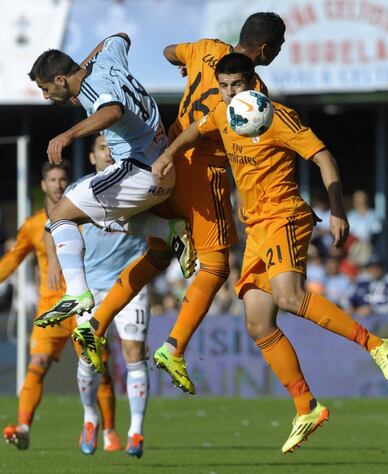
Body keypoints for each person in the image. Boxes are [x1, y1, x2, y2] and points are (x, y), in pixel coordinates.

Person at [152, 52, 388, 453]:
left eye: (238, 85)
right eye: (225, 86)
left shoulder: (278, 117)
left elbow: (323, 157)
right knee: (257, 322)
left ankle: (375, 343)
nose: (231, 93)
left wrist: (337, 209)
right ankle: (306, 406)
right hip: (256, 228)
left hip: (284, 216)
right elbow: (195, 131)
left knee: (289, 296)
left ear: (253, 82)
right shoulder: (222, 111)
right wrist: (167, 154)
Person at [71, 13, 286, 393]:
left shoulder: (205, 50)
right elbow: (245, 150)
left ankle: (95, 324)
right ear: (266, 49)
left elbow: (170, 52)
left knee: (156, 256)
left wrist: (186, 68)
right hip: (204, 176)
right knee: (217, 266)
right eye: (279, 48)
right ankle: (174, 347)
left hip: (164, 166)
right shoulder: (255, 95)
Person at [28, 33, 194, 330]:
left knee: (60, 215)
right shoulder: (106, 59)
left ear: (60, 80)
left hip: (141, 172)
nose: (45, 96)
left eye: (45, 88)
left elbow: (112, 110)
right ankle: (168, 229)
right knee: (93, 216)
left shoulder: (95, 89)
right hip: (162, 168)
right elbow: (120, 37)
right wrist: (85, 62)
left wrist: (69, 134)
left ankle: (77, 291)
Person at [1, 161, 121, 452]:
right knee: (37, 364)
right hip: (51, 308)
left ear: (68, 183)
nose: (57, 184)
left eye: (62, 179)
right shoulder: (32, 226)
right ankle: (24, 426)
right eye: (52, 179)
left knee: (99, 369)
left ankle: (109, 433)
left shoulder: (85, 216)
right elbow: (12, 260)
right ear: (43, 185)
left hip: (86, 306)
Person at [46, 135, 150, 456]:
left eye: (113, 147)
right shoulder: (81, 190)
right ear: (92, 157)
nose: (109, 152)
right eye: (103, 148)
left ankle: (135, 432)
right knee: (90, 362)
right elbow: (54, 225)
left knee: (134, 354)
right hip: (90, 289)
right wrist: (54, 262)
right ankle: (90, 417)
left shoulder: (137, 187)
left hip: (131, 284)